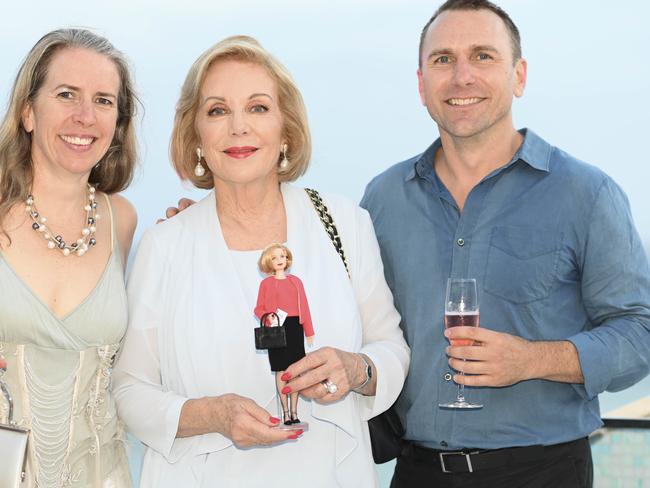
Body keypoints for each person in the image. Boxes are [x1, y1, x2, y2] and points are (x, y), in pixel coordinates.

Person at [360, 1, 650, 487]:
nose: (461, 76)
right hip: (416, 471)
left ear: (519, 76)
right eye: (443, 59)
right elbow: (338, 307)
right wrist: (202, 225)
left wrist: (531, 360)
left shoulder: (585, 193)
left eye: (483, 56)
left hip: (545, 471)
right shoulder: (383, 198)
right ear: (421, 84)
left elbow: (639, 332)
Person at [112, 35, 409, 487]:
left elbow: (392, 351)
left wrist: (355, 370)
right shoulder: (164, 245)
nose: (238, 127)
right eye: (217, 110)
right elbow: (128, 389)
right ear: (196, 137)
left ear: (286, 128)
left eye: (257, 107)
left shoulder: (344, 222)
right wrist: (211, 414)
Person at [0, 29, 138, 487]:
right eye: (66, 95)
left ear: (117, 123)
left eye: (103, 101)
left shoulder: (122, 220)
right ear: (28, 112)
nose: (85, 117)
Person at [254, 243, 314, 426]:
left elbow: (305, 306)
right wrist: (267, 319)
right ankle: (285, 413)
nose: (279, 260)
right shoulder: (265, 284)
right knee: (281, 370)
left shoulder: (296, 281)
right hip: (277, 328)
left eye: (282, 256)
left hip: (295, 327)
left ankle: (294, 412)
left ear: (287, 259)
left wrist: (309, 331)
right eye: (274, 257)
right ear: (268, 262)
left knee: (295, 372)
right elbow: (258, 308)